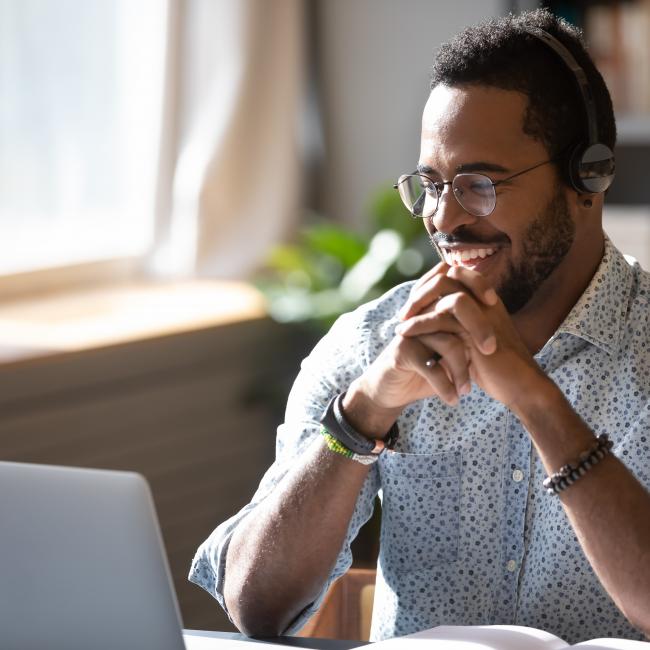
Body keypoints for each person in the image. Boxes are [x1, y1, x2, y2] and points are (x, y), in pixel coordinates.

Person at [189, 9, 650, 643]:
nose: (444, 218)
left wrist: (538, 402)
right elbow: (254, 607)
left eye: (480, 183)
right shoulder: (370, 345)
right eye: (430, 184)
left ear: (587, 177)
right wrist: (364, 412)